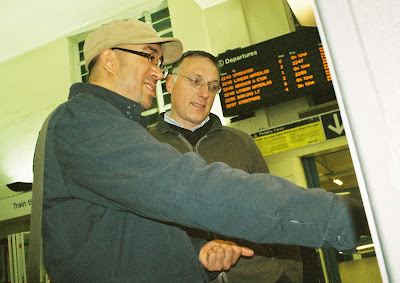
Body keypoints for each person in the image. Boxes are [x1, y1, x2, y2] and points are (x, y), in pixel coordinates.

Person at [35, 17, 369, 282]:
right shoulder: (83, 122)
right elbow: (191, 190)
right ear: (109, 60)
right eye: (149, 57)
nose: (157, 69)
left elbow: (126, 233)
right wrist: (345, 216)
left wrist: (197, 254)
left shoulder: (118, 127)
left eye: (159, 60)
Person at [149, 50, 304, 282]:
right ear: (170, 83)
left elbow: (273, 213)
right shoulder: (144, 146)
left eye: (213, 87)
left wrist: (288, 275)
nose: (204, 93)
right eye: (195, 81)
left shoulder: (241, 142)